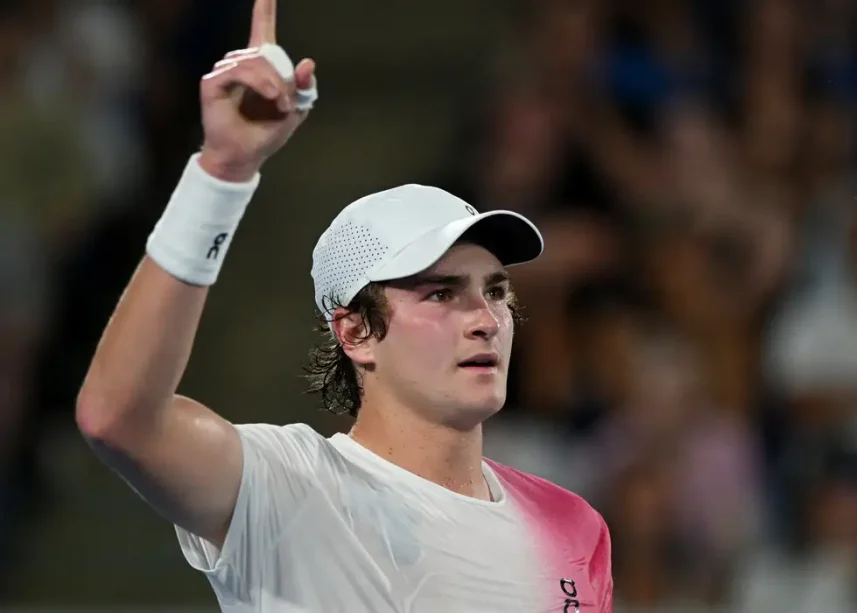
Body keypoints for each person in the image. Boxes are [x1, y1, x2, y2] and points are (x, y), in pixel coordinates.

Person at [74, 1, 613, 611]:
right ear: (355, 332)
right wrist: (221, 173)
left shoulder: (573, 524)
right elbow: (116, 417)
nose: (486, 319)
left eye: (494, 290)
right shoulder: (291, 487)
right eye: (440, 293)